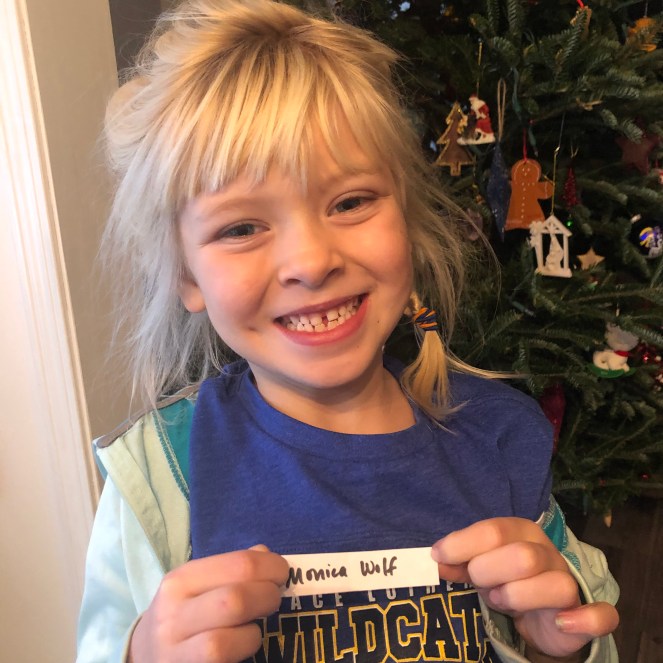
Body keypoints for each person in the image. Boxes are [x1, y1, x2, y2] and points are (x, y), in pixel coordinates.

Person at [77, 1, 620, 661]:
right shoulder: (160, 472)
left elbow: (579, 620)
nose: (311, 262)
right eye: (241, 227)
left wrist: (560, 647)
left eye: (350, 201)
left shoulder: (498, 436)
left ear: (406, 220)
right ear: (186, 274)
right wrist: (140, 653)